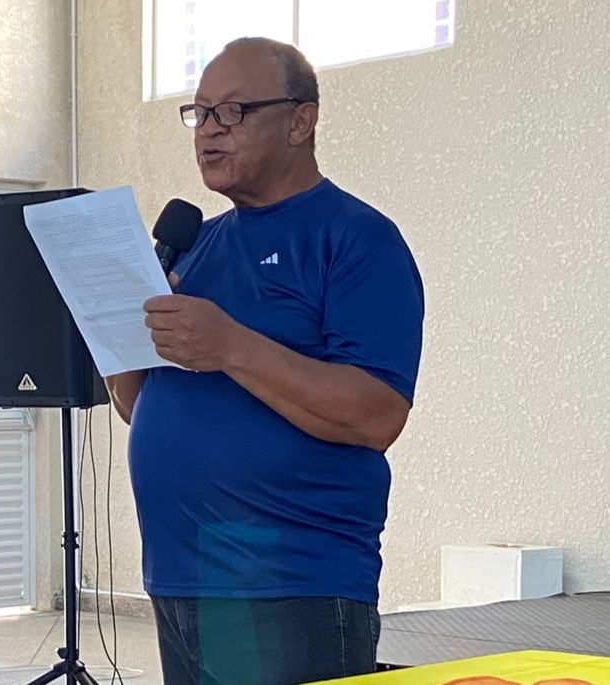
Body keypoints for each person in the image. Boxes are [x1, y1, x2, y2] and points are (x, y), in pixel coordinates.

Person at [105, 37, 425, 685]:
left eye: (234, 111)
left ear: (301, 120)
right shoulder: (193, 247)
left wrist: (230, 345)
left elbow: (376, 416)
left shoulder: (357, 239)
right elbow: (139, 404)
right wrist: (113, 329)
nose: (209, 130)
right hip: (179, 575)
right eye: (200, 113)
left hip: (288, 583)